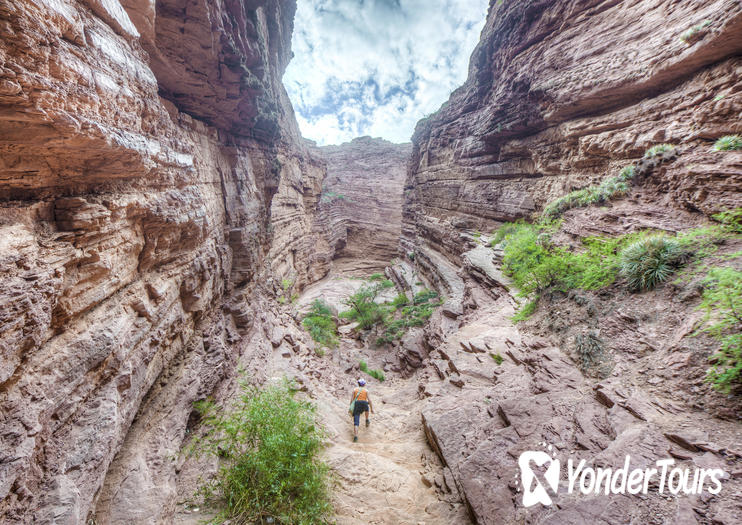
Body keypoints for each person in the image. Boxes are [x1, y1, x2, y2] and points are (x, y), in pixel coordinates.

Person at [350, 378, 374, 442]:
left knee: (356, 421)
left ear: (358, 384)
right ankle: (367, 419)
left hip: (357, 404)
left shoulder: (354, 390)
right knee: (366, 407)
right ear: (364, 384)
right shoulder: (366, 391)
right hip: (364, 403)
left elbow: (352, 400)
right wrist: (372, 409)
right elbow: (370, 400)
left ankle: (355, 436)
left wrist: (351, 408)